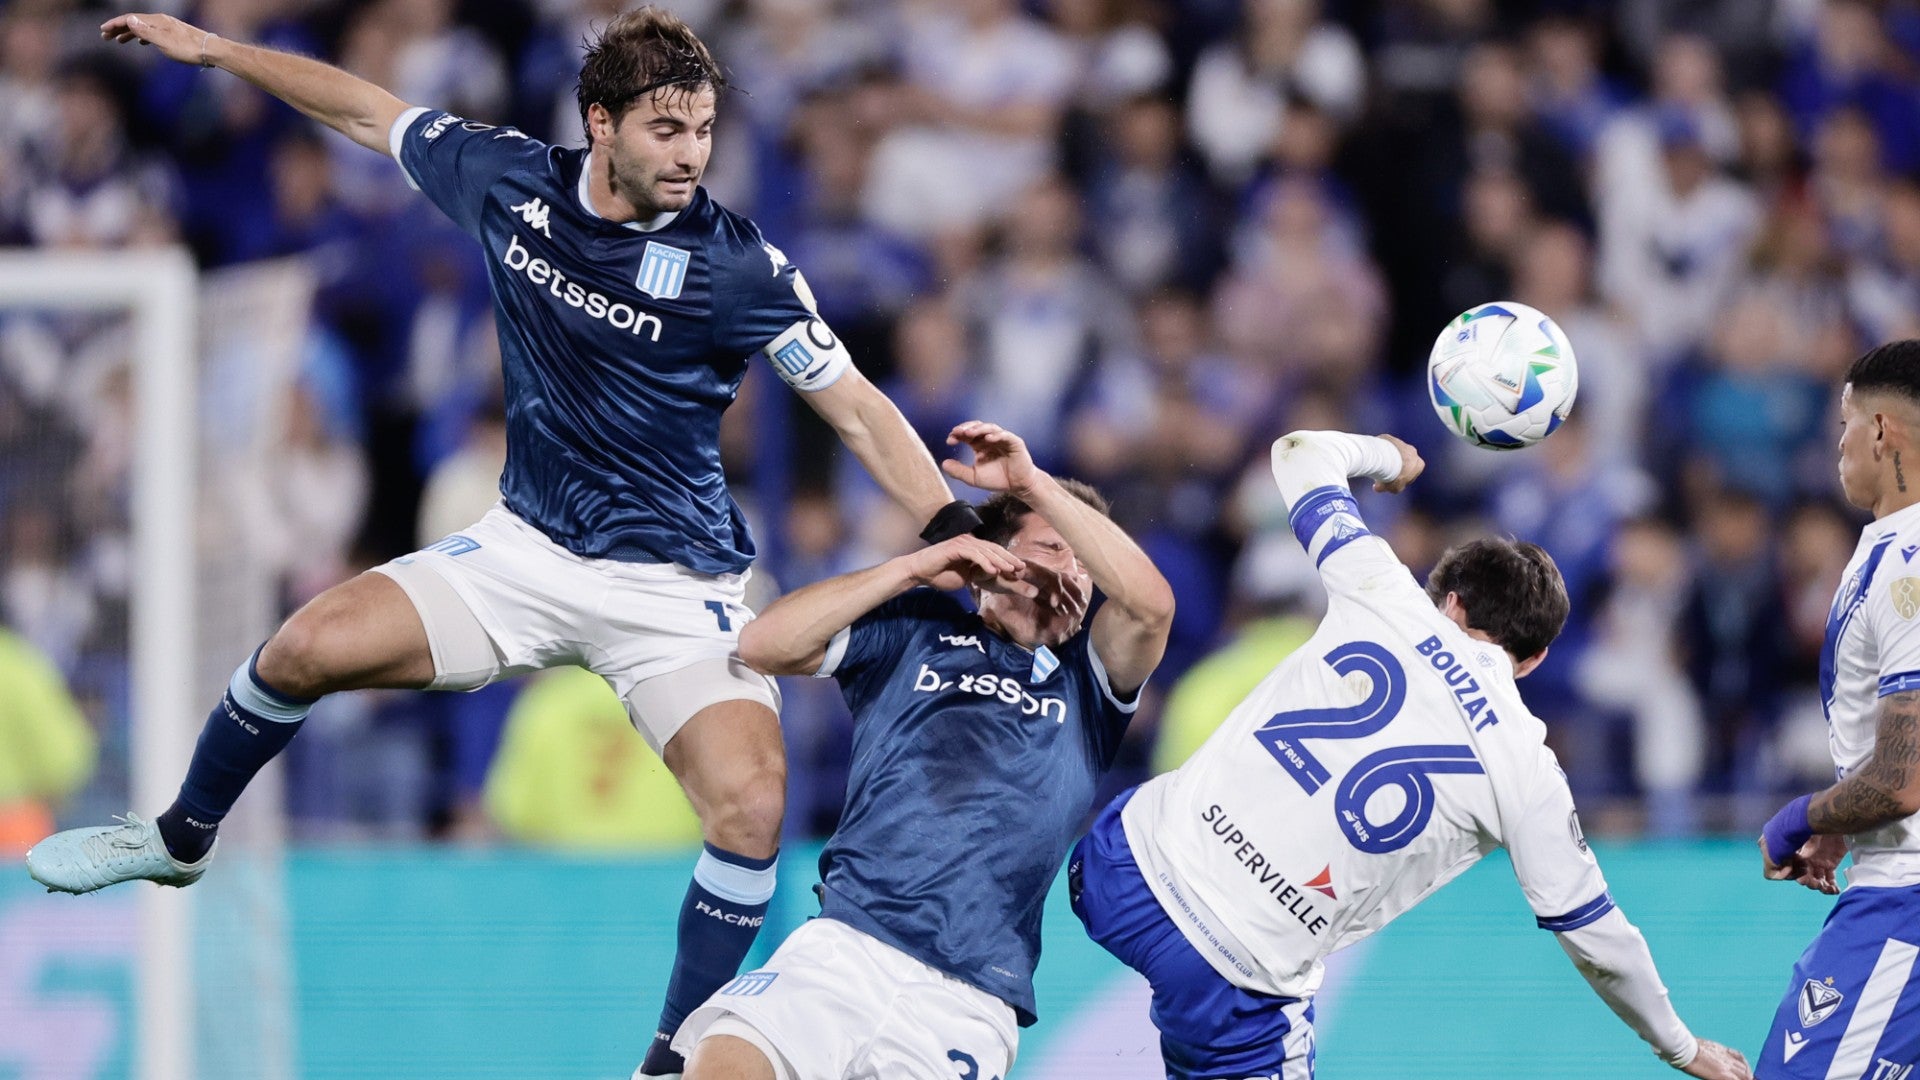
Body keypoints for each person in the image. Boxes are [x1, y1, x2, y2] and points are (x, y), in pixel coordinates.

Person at [30, 10, 978, 1076]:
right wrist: (218, 52)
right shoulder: (508, 181)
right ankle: (179, 838)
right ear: (601, 122)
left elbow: (856, 408)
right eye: (668, 130)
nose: (692, 154)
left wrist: (953, 527)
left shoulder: (738, 266)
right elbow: (362, 107)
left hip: (675, 592)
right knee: (300, 649)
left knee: (752, 803)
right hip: (525, 554)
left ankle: (669, 1060)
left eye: (705, 130)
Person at [1069, 429, 1754, 1080]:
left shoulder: (1383, 590)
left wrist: (1386, 458)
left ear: (1448, 600)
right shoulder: (1527, 767)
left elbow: (1298, 453)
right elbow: (1598, 939)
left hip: (1119, 864)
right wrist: (1679, 1046)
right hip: (1236, 969)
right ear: (1535, 658)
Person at [672, 421, 1174, 1080]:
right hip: (843, 946)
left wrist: (1033, 484)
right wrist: (911, 568)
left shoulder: (1090, 678)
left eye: (1084, 558)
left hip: (968, 997)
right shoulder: (914, 630)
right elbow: (765, 643)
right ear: (991, 562)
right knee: (722, 1064)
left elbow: (1151, 607)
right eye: (1055, 547)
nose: (1075, 570)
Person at [1757, 339, 1920, 1078]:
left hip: (1905, 906)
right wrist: (1850, 825)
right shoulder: (1887, 554)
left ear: (1883, 431)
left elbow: (1900, 778)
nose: (1840, 446)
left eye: (1844, 427)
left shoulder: (1907, 570)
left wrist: (1803, 818)